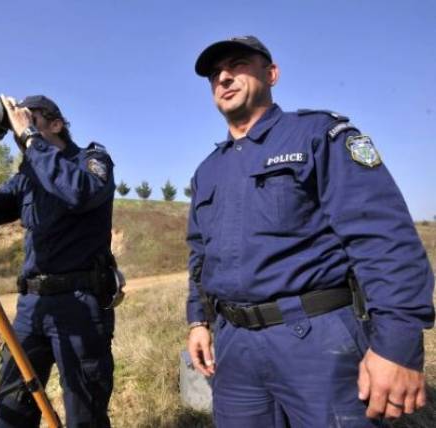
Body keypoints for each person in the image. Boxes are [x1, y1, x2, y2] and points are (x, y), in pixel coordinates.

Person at [185, 35, 434, 427]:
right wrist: (199, 321)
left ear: (272, 73)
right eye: (215, 74)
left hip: (316, 341)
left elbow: (381, 236)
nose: (225, 77)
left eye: (238, 65)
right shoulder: (207, 171)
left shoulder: (318, 135)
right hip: (234, 347)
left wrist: (397, 346)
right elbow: (200, 255)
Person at [0, 94, 117, 427]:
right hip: (32, 307)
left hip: (79, 305)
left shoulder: (91, 160)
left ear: (55, 124)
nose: (21, 127)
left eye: (31, 118)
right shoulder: (28, 176)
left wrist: (30, 138)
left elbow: (79, 193)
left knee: (85, 415)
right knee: (11, 409)